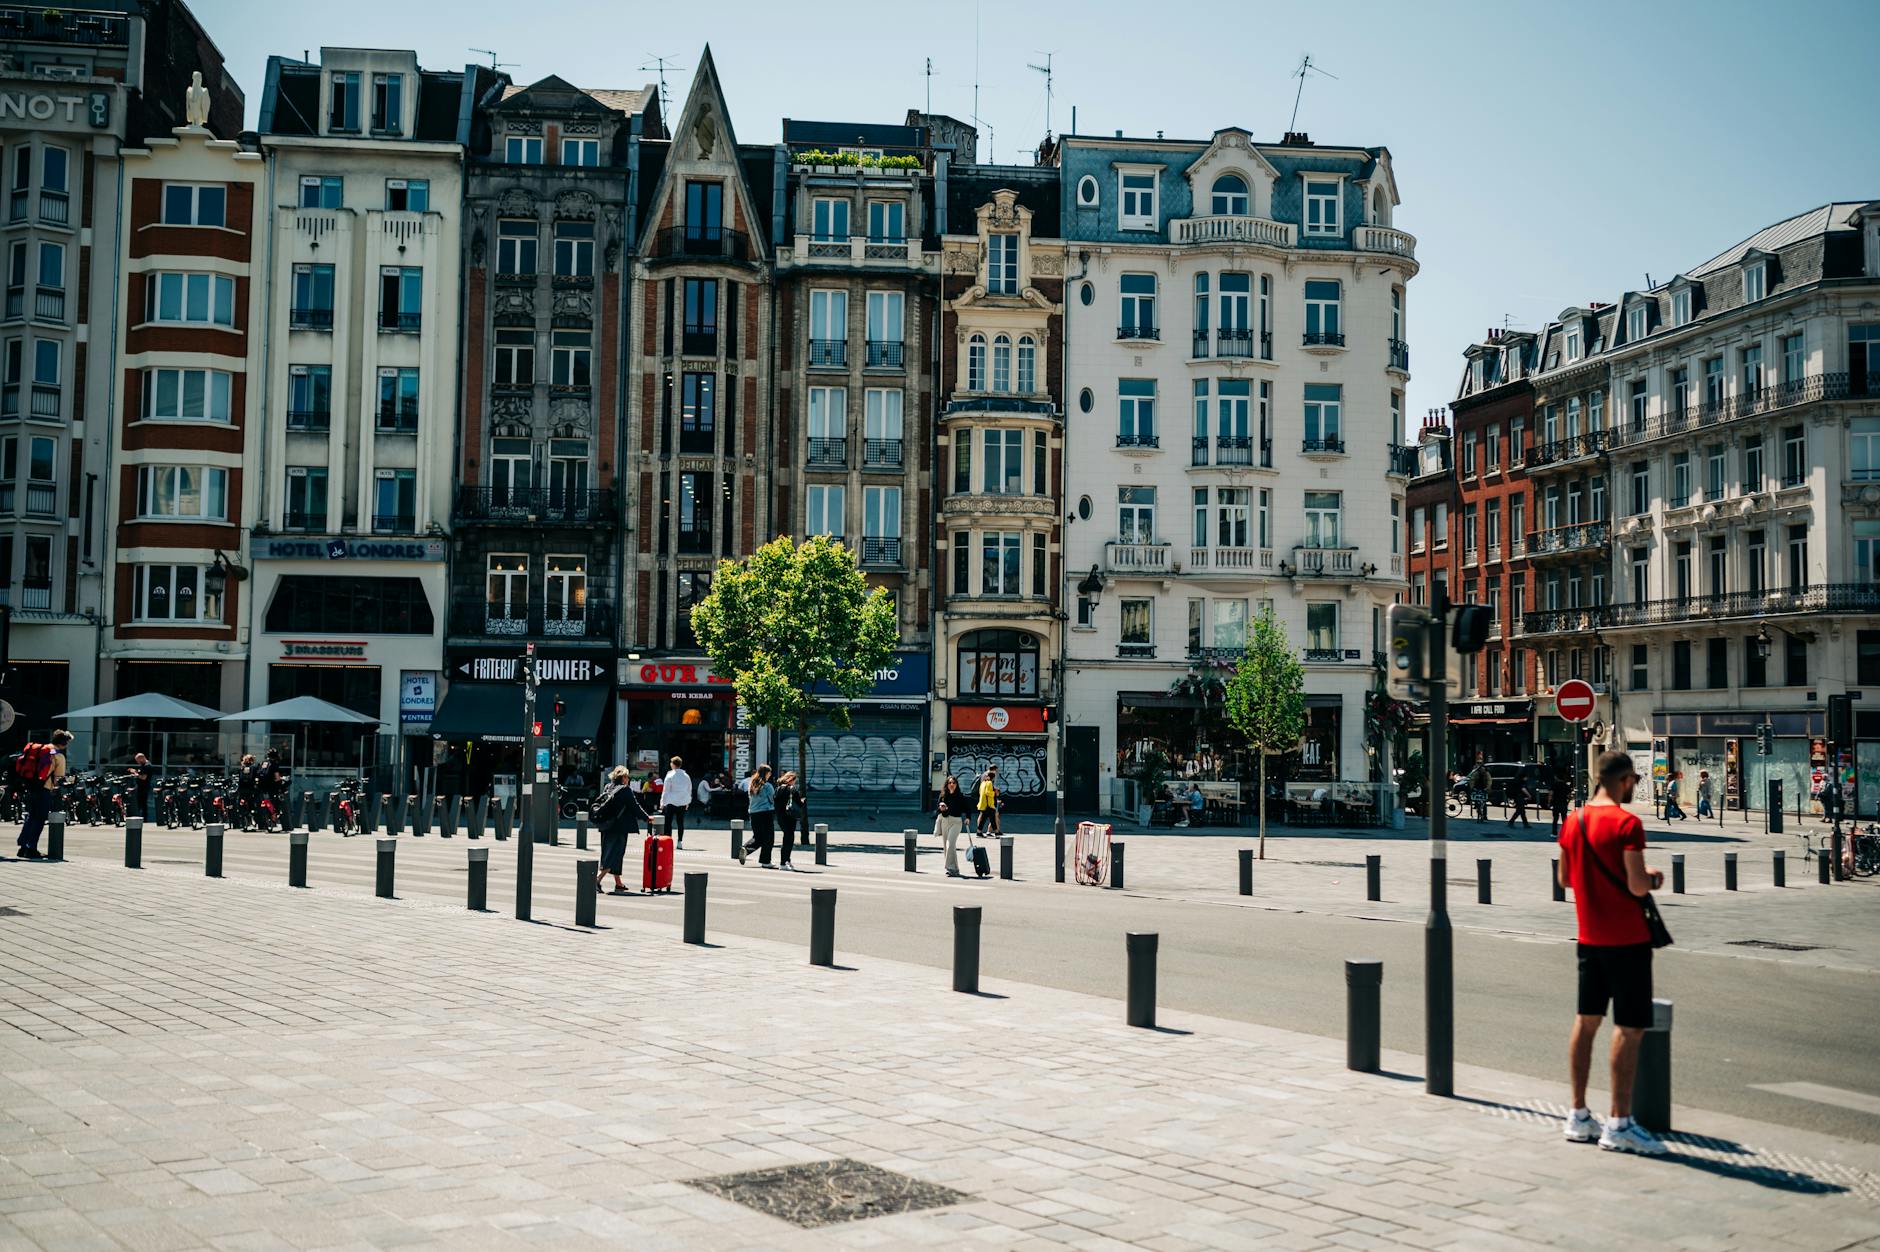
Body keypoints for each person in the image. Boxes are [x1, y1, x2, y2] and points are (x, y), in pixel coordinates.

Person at [1556, 751, 1667, 1156]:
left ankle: (1578, 1114)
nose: (1634, 787)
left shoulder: (1574, 820)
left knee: (1586, 1023)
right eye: (1634, 781)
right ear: (1622, 780)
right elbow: (1637, 885)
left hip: (1589, 938)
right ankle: (1619, 1123)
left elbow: (1565, 878)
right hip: (1628, 940)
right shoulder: (1627, 824)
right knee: (1629, 1028)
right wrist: (1653, 878)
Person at [14, 729, 71, 859]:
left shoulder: (42, 749)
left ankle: (23, 847)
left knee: (31, 816)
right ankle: (31, 848)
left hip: (30, 787)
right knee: (39, 818)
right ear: (64, 743)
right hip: (43, 789)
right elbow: (58, 778)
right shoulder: (58, 755)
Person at [591, 765, 643, 893]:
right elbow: (635, 806)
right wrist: (647, 818)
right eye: (627, 777)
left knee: (609, 852)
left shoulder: (608, 787)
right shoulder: (625, 789)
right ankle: (596, 880)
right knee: (615, 854)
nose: (628, 779)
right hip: (619, 827)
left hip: (606, 825)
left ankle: (618, 883)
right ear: (624, 777)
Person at [935, 775, 970, 877]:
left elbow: (967, 808)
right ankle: (954, 869)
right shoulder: (943, 795)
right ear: (947, 784)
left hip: (956, 822)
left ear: (956, 785)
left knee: (951, 844)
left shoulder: (960, 796)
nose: (952, 785)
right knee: (947, 846)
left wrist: (968, 818)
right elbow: (937, 809)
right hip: (945, 821)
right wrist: (941, 809)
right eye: (950, 783)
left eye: (954, 783)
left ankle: (949, 867)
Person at [744, 765, 777, 866]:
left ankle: (745, 849)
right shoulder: (767, 786)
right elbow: (772, 799)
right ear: (766, 773)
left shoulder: (752, 784)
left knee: (758, 836)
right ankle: (765, 861)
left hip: (753, 813)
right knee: (769, 837)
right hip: (765, 813)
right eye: (769, 773)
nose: (770, 775)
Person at [660, 756, 692, 849]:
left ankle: (668, 840)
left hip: (670, 801)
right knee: (680, 822)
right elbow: (689, 790)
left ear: (673, 764)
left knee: (668, 822)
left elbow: (665, 790)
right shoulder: (686, 776)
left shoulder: (669, 775)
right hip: (682, 801)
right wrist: (687, 802)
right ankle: (680, 841)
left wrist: (662, 802)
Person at [773, 770, 803, 869]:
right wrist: (802, 801)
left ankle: (787, 861)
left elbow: (776, 803)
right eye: (794, 780)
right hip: (790, 817)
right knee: (788, 840)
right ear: (791, 780)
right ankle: (783, 862)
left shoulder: (777, 789)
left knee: (786, 837)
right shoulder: (792, 789)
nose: (795, 782)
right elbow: (799, 803)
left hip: (780, 817)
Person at [234, 753, 260, 829]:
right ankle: (253, 817)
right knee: (253, 803)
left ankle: (244, 819)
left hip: (242, 789)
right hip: (251, 789)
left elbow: (239, 779)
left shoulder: (242, 768)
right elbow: (257, 777)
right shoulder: (254, 767)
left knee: (241, 802)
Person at [975, 764, 1002, 836]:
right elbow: (987, 792)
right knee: (990, 817)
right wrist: (994, 793)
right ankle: (994, 831)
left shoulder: (983, 782)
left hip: (984, 802)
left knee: (988, 817)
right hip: (988, 803)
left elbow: (981, 791)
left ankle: (984, 831)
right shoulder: (989, 782)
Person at [128, 752, 155, 821]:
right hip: (141, 786)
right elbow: (141, 774)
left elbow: (143, 777)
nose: (137, 762)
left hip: (144, 787)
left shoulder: (147, 766)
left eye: (138, 760)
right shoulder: (144, 765)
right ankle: (141, 817)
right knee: (141, 802)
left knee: (142, 803)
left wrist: (134, 773)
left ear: (141, 758)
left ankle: (143, 818)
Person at [1468, 754, 1491, 822]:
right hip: (1476, 788)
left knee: (1484, 802)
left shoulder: (1486, 772)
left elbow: (1489, 780)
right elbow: (1472, 779)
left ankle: (1485, 815)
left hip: (1483, 788)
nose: (1479, 765)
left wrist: (1487, 788)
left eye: (1480, 763)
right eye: (1478, 763)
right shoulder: (1474, 771)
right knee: (1476, 801)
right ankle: (1479, 813)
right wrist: (1472, 787)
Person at [1549, 768, 1571, 838]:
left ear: (1557, 777)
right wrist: (1567, 802)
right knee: (1564, 819)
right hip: (1563, 803)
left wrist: (1549, 803)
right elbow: (1569, 796)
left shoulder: (1554, 785)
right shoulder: (1566, 786)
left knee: (1555, 819)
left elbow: (1551, 794)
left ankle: (1554, 833)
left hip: (1556, 804)